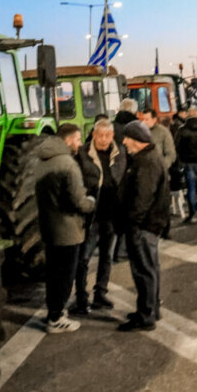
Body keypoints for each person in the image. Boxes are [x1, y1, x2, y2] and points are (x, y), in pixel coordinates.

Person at [32, 123, 95, 332]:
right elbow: (77, 200)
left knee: (53, 273)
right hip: (68, 230)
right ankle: (57, 318)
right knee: (65, 275)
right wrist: (91, 202)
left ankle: (53, 312)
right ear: (68, 140)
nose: (79, 143)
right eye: (77, 139)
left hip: (49, 227)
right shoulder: (68, 164)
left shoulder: (43, 161)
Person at [117, 121, 169, 332]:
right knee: (150, 269)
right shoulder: (146, 157)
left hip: (143, 227)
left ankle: (145, 316)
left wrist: (133, 223)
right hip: (149, 225)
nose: (124, 142)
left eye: (127, 138)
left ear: (137, 140)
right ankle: (151, 308)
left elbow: (142, 199)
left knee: (143, 272)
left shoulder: (146, 162)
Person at [71, 118, 126, 315]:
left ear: (112, 136)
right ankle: (81, 297)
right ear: (94, 135)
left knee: (107, 256)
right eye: (100, 135)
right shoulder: (83, 154)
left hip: (112, 215)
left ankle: (100, 293)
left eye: (107, 136)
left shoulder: (120, 153)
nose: (104, 140)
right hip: (91, 216)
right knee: (84, 258)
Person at [139, 107, 179, 220]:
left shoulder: (163, 132)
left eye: (147, 119)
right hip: (144, 172)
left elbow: (171, 153)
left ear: (154, 119)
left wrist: (163, 167)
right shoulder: (140, 132)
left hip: (160, 172)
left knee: (161, 203)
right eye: (143, 119)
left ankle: (164, 226)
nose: (144, 122)